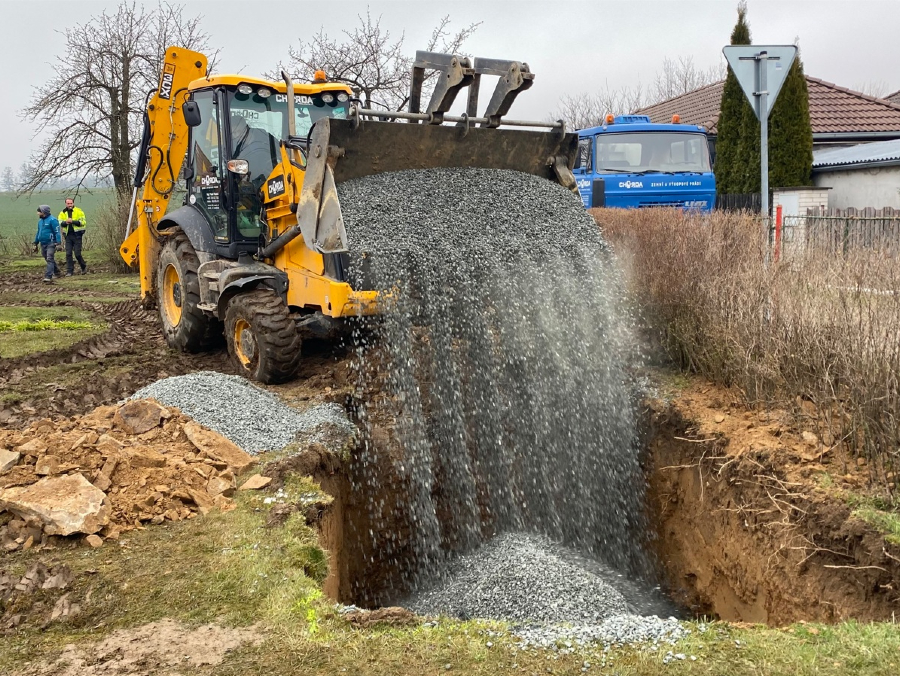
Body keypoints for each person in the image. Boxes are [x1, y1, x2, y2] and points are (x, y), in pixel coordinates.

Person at [58, 197, 87, 275]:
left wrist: (73, 221)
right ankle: (69, 271)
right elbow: (60, 222)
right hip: (68, 235)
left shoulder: (79, 211)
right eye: (68, 203)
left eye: (71, 203)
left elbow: (83, 222)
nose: (69, 205)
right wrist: (66, 222)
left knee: (77, 254)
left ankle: (83, 266)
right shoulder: (62, 213)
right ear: (65, 204)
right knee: (68, 254)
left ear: (73, 203)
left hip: (77, 235)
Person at [33, 205, 61, 283]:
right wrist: (35, 242)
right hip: (43, 243)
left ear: (44, 212)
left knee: (49, 258)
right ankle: (57, 272)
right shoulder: (40, 221)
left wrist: (58, 243)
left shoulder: (53, 220)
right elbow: (38, 232)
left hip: (51, 243)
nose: (37, 213)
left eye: (39, 212)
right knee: (48, 258)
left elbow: (57, 232)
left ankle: (48, 276)